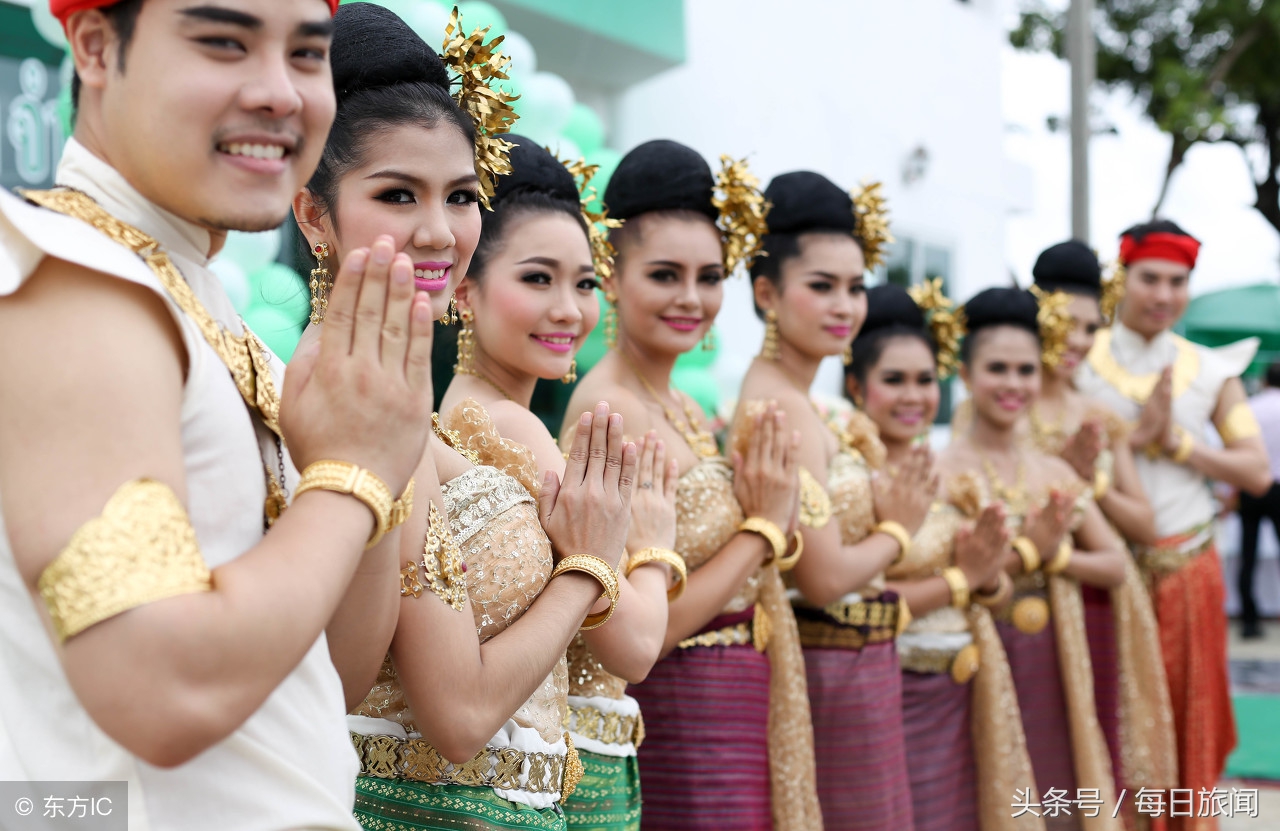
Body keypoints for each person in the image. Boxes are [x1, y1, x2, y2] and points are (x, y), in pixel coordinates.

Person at [0, 1, 427, 827]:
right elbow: (158, 689)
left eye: (307, 54)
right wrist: (350, 478)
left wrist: (378, 467)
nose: (280, 93)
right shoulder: (72, 279)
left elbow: (322, 672)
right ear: (94, 45)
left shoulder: (194, 299)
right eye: (223, 42)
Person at [291, 8, 636, 829]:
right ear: (312, 215)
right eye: (397, 193)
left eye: (461, 196)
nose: (442, 232)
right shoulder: (349, 402)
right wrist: (590, 567)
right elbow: (458, 715)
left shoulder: (397, 396)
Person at [564, 140, 821, 831]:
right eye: (665, 274)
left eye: (709, 276)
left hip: (739, 688)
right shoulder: (607, 410)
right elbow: (647, 629)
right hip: (683, 703)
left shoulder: (677, 401)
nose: (692, 298)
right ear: (611, 276)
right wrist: (763, 528)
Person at [439, 135, 680, 831]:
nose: (571, 309)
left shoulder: (461, 413)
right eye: (538, 278)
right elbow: (634, 647)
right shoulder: (510, 427)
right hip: (527, 782)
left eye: (583, 282)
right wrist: (655, 550)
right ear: (465, 289)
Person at [1075, 221, 1271, 830]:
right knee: (1105, 722)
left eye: (1177, 282)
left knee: (1188, 720)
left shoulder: (1211, 370)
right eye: (1150, 279)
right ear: (1122, 279)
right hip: (1104, 571)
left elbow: (1256, 471)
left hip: (1187, 569)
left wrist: (1177, 443)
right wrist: (1133, 440)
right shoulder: (1078, 363)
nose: (1163, 294)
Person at [737, 170, 914, 830]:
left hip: (851, 663)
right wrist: (901, 529)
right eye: (822, 286)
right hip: (828, 664)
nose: (845, 305)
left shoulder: (801, 399)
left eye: (855, 286)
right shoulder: (780, 409)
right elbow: (822, 574)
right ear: (767, 293)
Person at [847, 283, 1039, 831]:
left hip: (965, 687)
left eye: (925, 380)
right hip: (890, 689)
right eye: (894, 380)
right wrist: (964, 578)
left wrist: (989, 575)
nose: (914, 395)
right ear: (858, 387)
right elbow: (850, 599)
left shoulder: (952, 479)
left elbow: (992, 593)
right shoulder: (853, 480)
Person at [941, 287, 1127, 831]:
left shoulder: (1053, 471)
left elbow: (1115, 566)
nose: (1014, 384)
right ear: (965, 373)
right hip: (975, 661)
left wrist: (1054, 556)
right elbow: (968, 581)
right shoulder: (943, 472)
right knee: (981, 796)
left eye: (1026, 370)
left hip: (1052, 659)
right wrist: (1031, 551)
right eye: (997, 368)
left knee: (1057, 790)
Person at [1029, 241, 1176, 804]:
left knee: (1096, 751)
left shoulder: (1100, 418)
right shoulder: (1002, 405)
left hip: (1098, 598)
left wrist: (1085, 486)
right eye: (1065, 323)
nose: (1077, 341)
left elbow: (1144, 524)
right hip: (1025, 602)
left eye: (1091, 329)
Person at [1237, 360, 1280, 639]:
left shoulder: (1249, 409)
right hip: (1278, 487)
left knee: (1248, 556)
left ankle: (1249, 621)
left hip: (1250, 485)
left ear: (1264, 381)